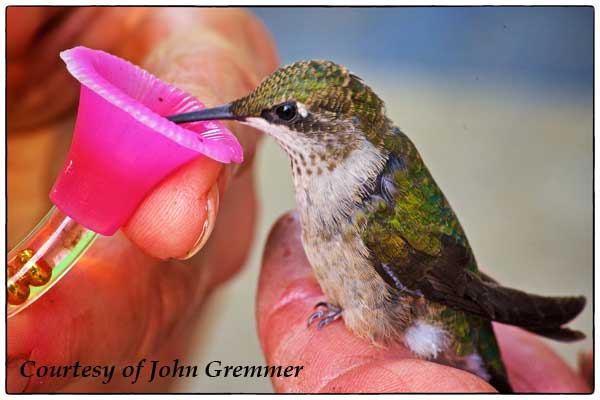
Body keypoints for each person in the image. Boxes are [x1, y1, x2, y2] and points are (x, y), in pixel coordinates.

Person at [7, 7, 592, 393]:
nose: (256, 120)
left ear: (337, 131)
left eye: (284, 116)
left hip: (434, 320)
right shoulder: (345, 169)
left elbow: (434, 288)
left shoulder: (375, 205)